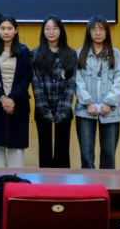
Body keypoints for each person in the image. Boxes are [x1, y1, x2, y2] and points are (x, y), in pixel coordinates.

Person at [75, 16, 120, 169]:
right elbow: (77, 80)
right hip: (85, 110)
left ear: (107, 32)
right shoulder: (80, 53)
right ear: (89, 32)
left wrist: (109, 102)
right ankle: (89, 184)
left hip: (110, 110)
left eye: (102, 29)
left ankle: (107, 182)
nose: (98, 33)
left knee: (109, 153)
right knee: (86, 154)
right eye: (94, 29)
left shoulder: (115, 54)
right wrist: (88, 102)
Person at [0, 15, 33, 168]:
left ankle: (15, 180)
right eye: (3, 28)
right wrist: (2, 98)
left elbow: (27, 77)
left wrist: (12, 98)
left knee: (16, 148)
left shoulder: (24, 51)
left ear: (16, 30)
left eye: (9, 28)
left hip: (18, 103)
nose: (6, 32)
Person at [32, 15, 77, 168]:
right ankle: (45, 180)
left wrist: (63, 110)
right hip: (42, 109)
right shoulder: (35, 54)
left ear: (61, 30)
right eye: (47, 28)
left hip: (64, 108)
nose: (51, 32)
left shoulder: (71, 54)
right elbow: (36, 83)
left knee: (62, 149)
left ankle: (62, 180)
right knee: (44, 148)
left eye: (55, 28)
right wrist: (44, 109)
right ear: (43, 31)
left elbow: (71, 83)